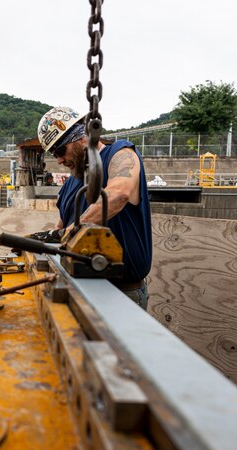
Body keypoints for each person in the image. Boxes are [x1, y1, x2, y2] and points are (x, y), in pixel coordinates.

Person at [36, 106, 153, 309]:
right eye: (54, 154)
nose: (59, 160)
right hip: (76, 287)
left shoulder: (120, 154)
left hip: (122, 294)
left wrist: (69, 231)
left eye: (60, 150)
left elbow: (118, 194)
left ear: (83, 137)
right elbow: (61, 233)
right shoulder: (69, 185)